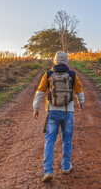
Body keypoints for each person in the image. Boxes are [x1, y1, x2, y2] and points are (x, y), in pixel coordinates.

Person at [33, 51, 85, 182]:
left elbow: (39, 92)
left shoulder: (48, 74)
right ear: (66, 61)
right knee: (67, 140)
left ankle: (48, 171)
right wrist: (81, 104)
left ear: (55, 61)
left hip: (52, 112)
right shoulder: (72, 75)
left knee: (50, 141)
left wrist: (36, 108)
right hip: (68, 112)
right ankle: (66, 167)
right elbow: (79, 91)